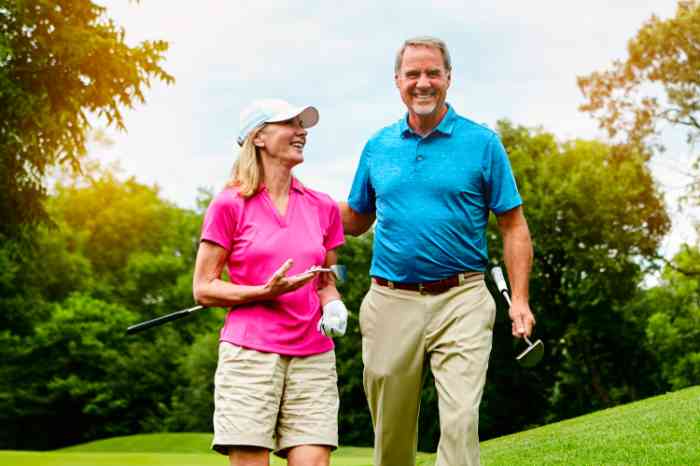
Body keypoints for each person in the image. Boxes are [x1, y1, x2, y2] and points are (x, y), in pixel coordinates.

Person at [340, 37, 536, 466]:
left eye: (432, 73)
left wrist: (519, 299)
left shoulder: (482, 143)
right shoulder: (378, 146)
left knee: (461, 420)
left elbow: (514, 225)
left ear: (448, 78)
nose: (423, 83)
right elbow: (354, 221)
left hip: (462, 298)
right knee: (390, 431)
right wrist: (293, 203)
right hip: (390, 299)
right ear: (398, 81)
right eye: (413, 74)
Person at [193, 98, 349, 466]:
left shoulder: (322, 206)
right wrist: (264, 292)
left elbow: (326, 280)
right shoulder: (229, 204)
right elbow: (204, 287)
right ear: (259, 137)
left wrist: (334, 305)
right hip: (250, 354)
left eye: (302, 124)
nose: (302, 132)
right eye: (290, 124)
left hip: (313, 354)